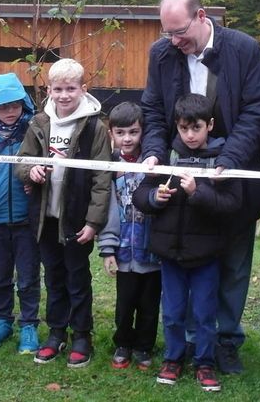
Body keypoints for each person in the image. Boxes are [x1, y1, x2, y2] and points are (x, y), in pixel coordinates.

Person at [140, 0, 260, 375]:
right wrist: (153, 153)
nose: (174, 41)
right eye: (167, 33)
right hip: (181, 181)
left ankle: (226, 340)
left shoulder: (244, 49)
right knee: (187, 260)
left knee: (232, 266)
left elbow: (257, 111)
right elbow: (153, 109)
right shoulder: (161, 54)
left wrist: (228, 160)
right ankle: (191, 344)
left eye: (179, 31)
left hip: (232, 179)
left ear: (202, 17)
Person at [133, 93, 242, 393]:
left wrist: (198, 193)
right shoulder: (166, 157)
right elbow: (140, 195)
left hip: (207, 255)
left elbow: (232, 204)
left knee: (205, 313)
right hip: (170, 255)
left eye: (196, 128)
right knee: (172, 312)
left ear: (210, 125)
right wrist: (156, 198)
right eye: (184, 128)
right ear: (177, 127)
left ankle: (205, 362)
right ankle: (173, 358)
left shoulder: (222, 161)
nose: (190, 135)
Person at [15, 58, 112, 367]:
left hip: (76, 219)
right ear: (49, 90)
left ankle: (82, 335)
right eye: (58, 89)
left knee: (77, 278)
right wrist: (31, 172)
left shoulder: (95, 127)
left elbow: (102, 178)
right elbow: (20, 162)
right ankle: (56, 333)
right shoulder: (39, 123)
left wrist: (94, 222)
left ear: (83, 89)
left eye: (71, 88)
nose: (64, 95)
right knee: (54, 278)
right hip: (45, 217)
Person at [0, 73, 41, 355]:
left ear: (23, 103)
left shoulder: (34, 130)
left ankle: (29, 325)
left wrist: (36, 182)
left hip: (27, 219)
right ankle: (2, 321)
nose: (10, 112)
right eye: (3, 107)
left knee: (27, 276)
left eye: (15, 105)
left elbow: (45, 164)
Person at [98, 100, 160, 371]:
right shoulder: (110, 166)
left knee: (149, 305)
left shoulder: (156, 164)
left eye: (133, 132)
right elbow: (108, 209)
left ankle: (144, 347)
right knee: (125, 305)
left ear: (142, 132)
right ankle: (123, 343)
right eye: (120, 132)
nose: (127, 138)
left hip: (152, 251)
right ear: (111, 133)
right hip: (124, 251)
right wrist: (108, 249)